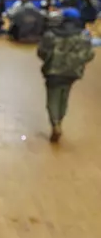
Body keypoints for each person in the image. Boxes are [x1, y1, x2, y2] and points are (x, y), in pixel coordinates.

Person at [38, 8, 94, 142]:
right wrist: (79, 62)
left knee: (53, 98)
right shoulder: (84, 35)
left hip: (53, 72)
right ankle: (60, 121)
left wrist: (49, 59)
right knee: (64, 96)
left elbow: (41, 52)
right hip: (73, 72)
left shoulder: (51, 34)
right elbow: (90, 54)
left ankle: (55, 123)